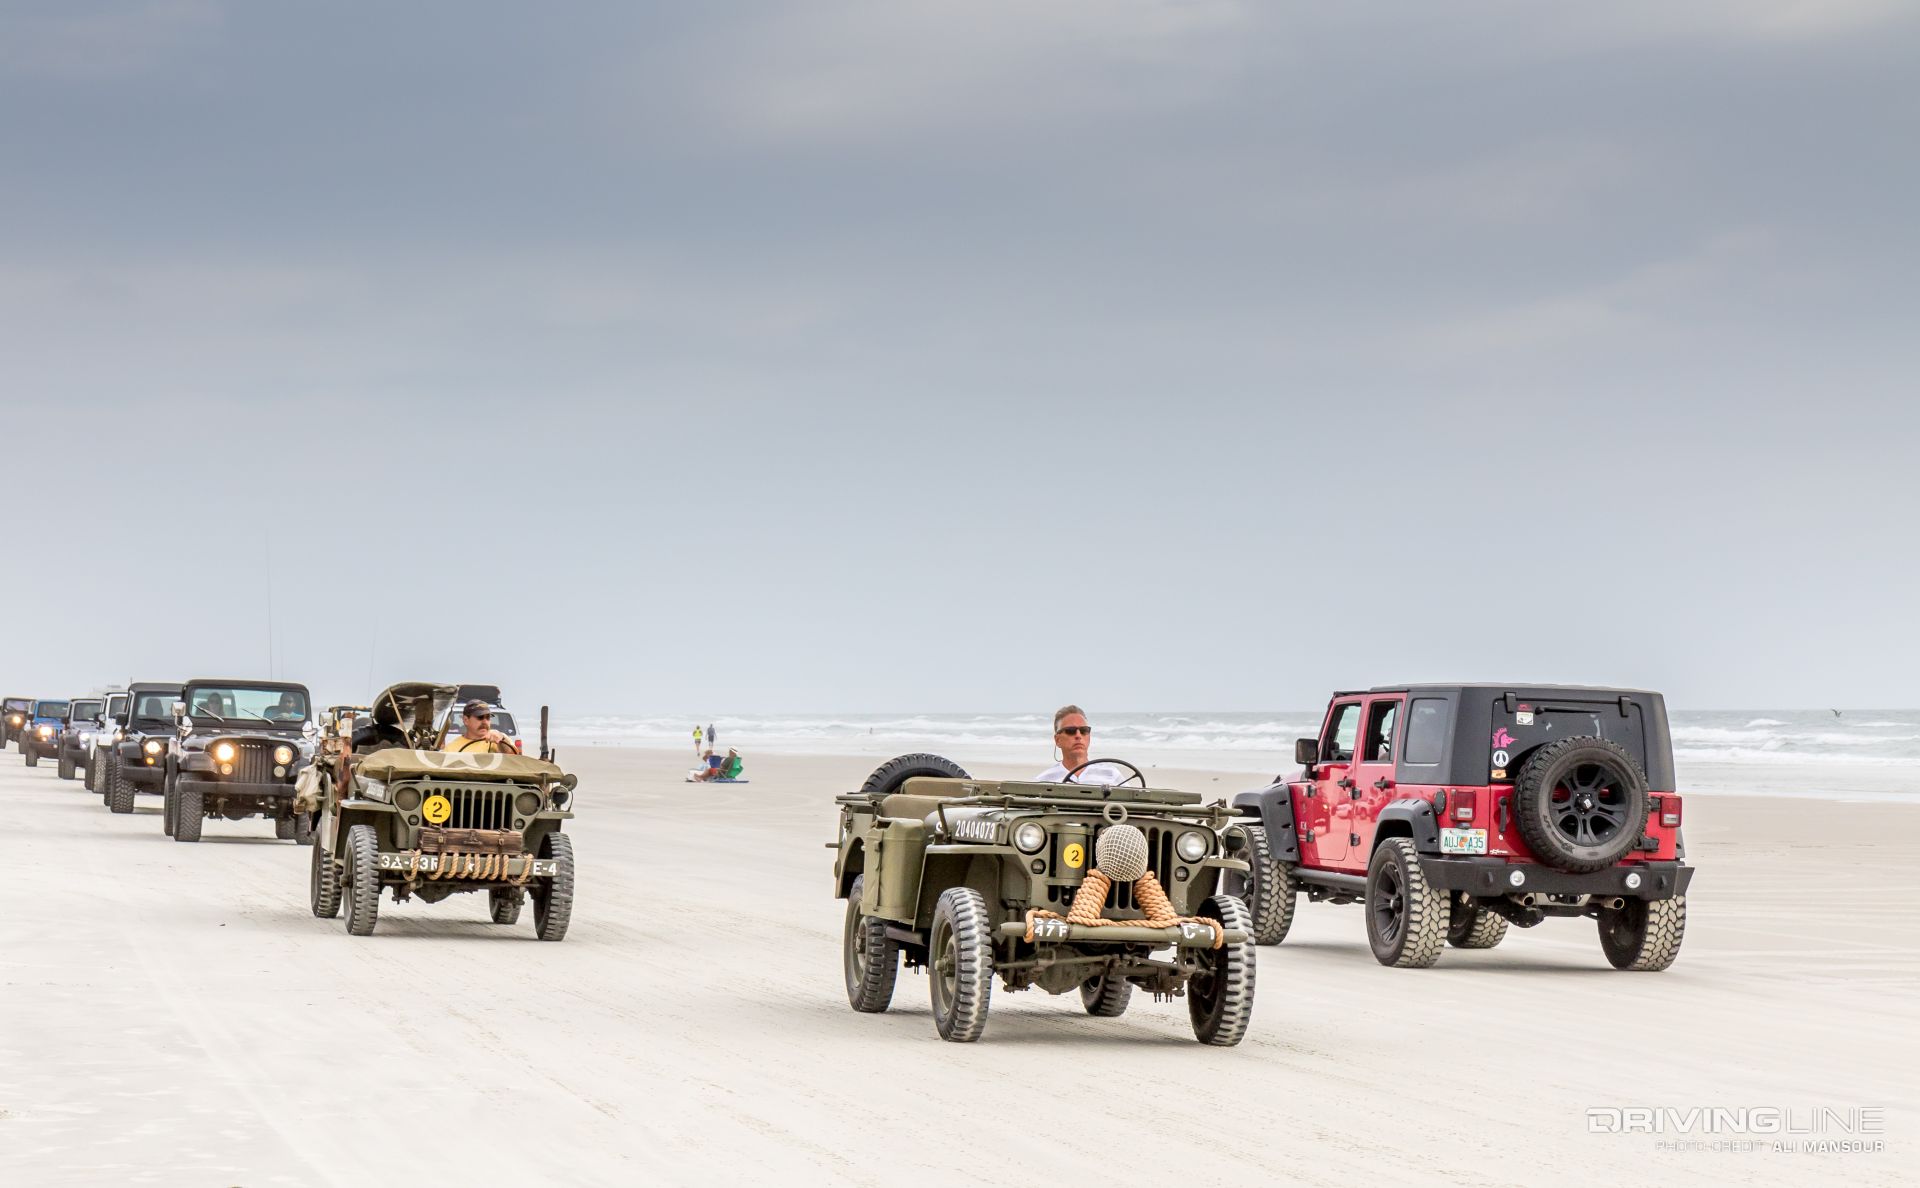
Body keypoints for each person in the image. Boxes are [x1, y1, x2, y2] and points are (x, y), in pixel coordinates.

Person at [1034, 705, 1129, 785]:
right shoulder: (1043, 781)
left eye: (1084, 731)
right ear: (1058, 740)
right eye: (1070, 731)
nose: (1078, 735)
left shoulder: (1111, 774)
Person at [444, 699, 513, 754]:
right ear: (466, 720)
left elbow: (515, 760)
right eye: (480, 717)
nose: (485, 722)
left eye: (488, 718)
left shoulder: (497, 742)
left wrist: (502, 738)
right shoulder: (451, 749)